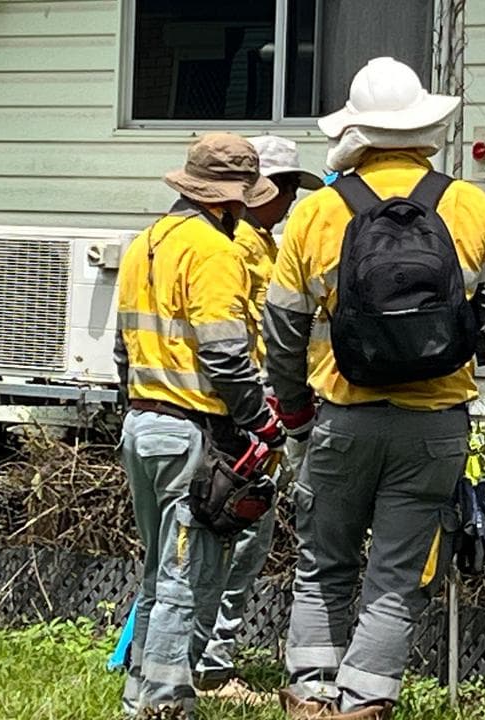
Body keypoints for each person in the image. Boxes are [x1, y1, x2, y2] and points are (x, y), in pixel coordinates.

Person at [263, 56, 485, 720]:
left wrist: (296, 421)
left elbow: (282, 333)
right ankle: (365, 703)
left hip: (341, 420)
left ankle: (310, 698)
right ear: (425, 126)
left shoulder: (316, 215)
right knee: (395, 579)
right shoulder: (475, 208)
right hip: (436, 427)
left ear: (356, 131)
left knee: (323, 565)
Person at [114, 132, 285, 717]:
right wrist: (262, 423)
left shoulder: (146, 242)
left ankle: (139, 693)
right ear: (229, 199)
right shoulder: (215, 251)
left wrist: (135, 405)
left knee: (157, 577)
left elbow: (121, 348)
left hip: (142, 424)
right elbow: (225, 355)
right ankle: (164, 706)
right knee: (187, 584)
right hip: (195, 434)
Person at [193, 135, 322, 694]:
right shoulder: (235, 246)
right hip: (243, 413)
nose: (292, 197)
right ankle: (208, 663)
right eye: (285, 185)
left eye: (295, 186)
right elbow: (234, 341)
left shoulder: (265, 242)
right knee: (238, 530)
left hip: (260, 407)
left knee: (243, 532)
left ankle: (197, 656)